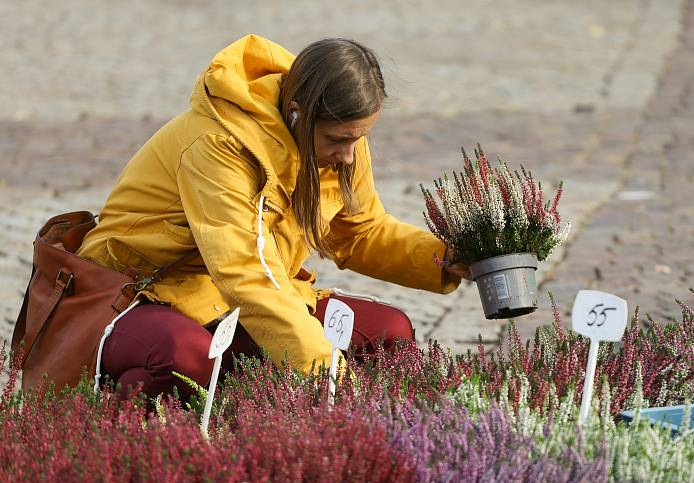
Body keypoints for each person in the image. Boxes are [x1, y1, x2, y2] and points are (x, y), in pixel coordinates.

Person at [76, 34, 469, 399]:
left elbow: (360, 232)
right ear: (297, 113)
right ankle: (116, 432)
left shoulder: (341, 140)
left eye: (358, 138)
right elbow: (242, 271)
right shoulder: (216, 142)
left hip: (233, 301)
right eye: (339, 140)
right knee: (187, 358)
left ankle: (258, 411)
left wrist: (447, 258)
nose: (350, 154)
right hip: (141, 296)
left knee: (388, 334)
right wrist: (322, 370)